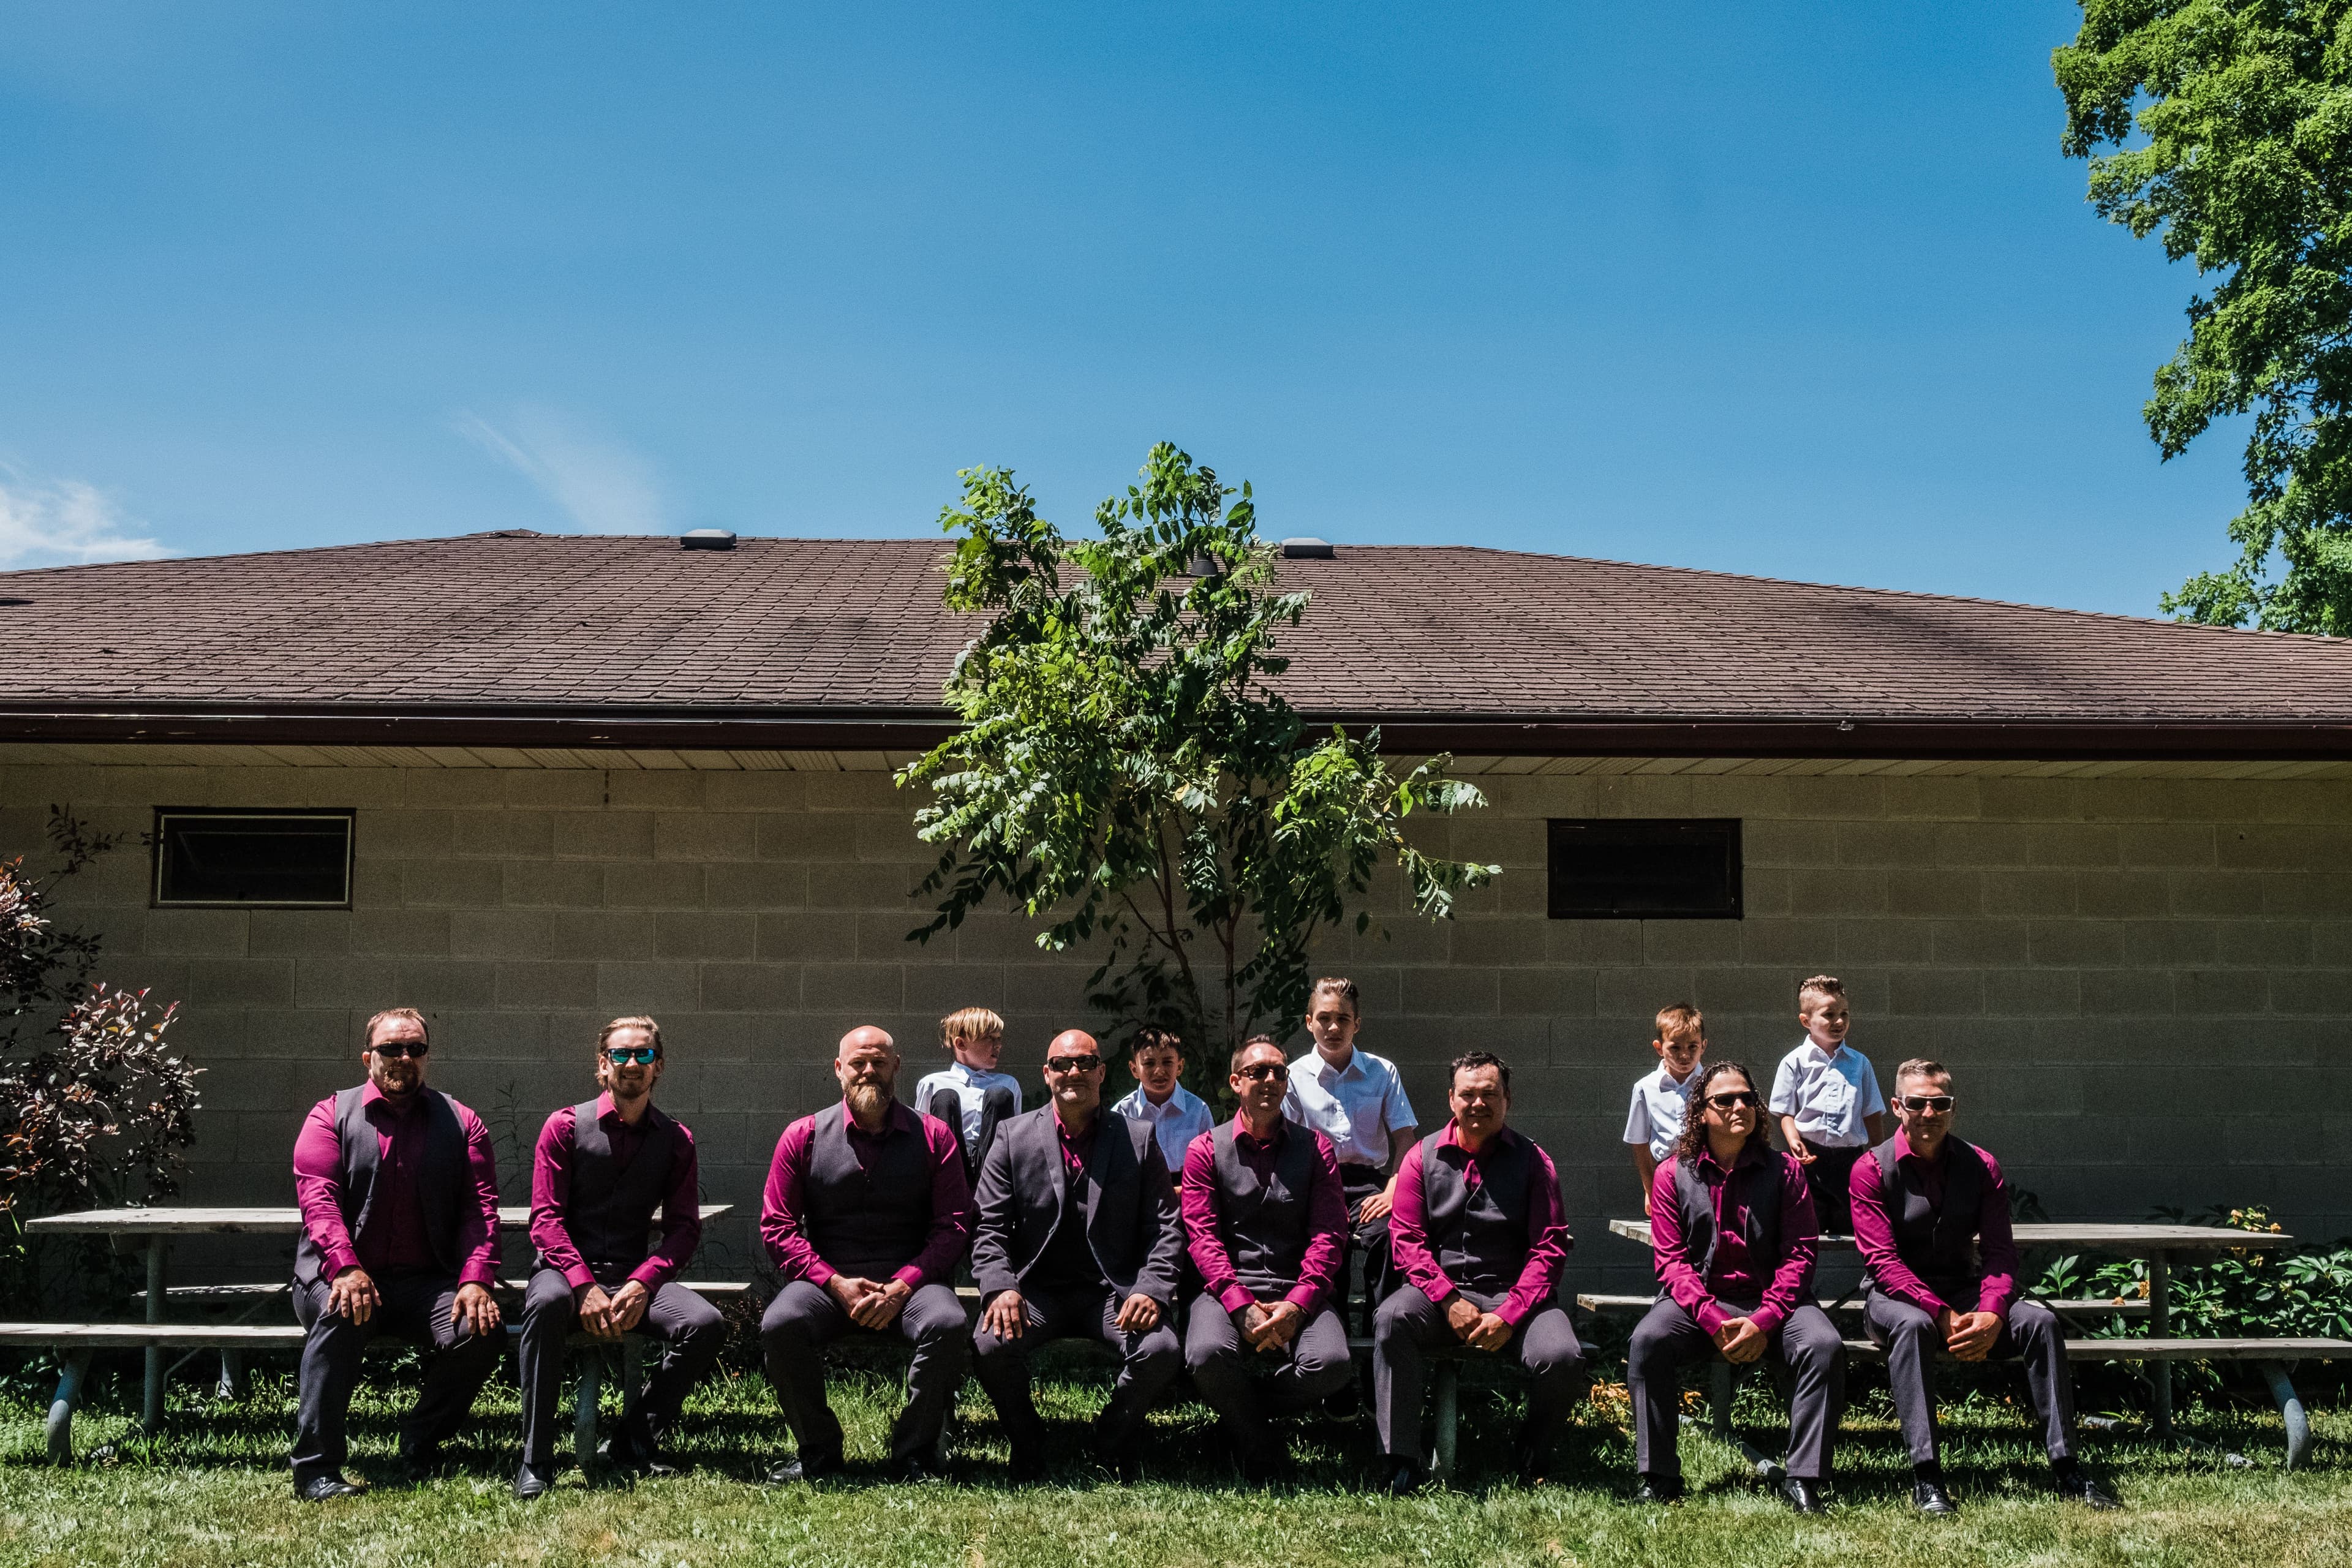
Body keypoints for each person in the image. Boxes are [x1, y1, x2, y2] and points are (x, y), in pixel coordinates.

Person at [1851, 1058, 2118, 1513]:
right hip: (1892, 1300)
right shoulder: (1871, 1169)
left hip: (1965, 1291)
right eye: (1917, 1103)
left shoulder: (1981, 1165)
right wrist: (1940, 1313)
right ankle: (1927, 1477)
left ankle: (2067, 1466)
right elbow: (1883, 1262)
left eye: (1941, 1103)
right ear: (1897, 1107)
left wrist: (1994, 1311)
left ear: (1954, 1108)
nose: (1929, 1113)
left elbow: (2000, 1253)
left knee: (2040, 1322)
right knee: (1914, 1326)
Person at [287, 1008, 504, 1502]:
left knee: (480, 1330)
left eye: (415, 1048)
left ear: (427, 1057)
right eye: (391, 1048)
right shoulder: (330, 1116)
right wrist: (346, 1268)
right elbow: (319, 1202)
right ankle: (316, 1468)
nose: (404, 1057)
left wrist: (476, 1278)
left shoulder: (462, 1122)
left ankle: (420, 1439)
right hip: (337, 1276)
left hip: (425, 1283)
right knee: (343, 1311)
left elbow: (480, 1210)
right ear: (368, 1057)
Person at [514, 1016, 723, 1499]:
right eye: (621, 1054)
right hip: (562, 1276)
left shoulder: (676, 1140)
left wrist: (644, 1282)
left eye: (643, 1054)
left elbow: (684, 1229)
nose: (632, 1063)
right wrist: (582, 1285)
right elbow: (546, 1220)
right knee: (544, 1305)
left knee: (705, 1324)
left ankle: (632, 1440)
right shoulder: (565, 1127)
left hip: (631, 1277)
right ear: (603, 1064)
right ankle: (535, 1459)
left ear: (659, 1066)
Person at [759, 1026, 976, 1483]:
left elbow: (954, 1226)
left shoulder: (934, 1136)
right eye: (858, 1063)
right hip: (827, 1286)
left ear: (896, 1066)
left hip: (913, 1285)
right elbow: (777, 1228)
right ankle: (818, 1452)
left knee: (948, 1322)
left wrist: (903, 1286)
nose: (869, 1071)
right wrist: (833, 1282)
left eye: (879, 1062)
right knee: (781, 1323)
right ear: (839, 1069)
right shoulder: (803, 1136)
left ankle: (914, 1453)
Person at [1627, 1060, 1845, 1513]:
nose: (1739, 1106)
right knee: (1648, 1341)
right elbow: (1672, 1263)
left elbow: (1800, 1255)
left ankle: (1804, 1479)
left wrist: (1764, 1320)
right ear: (1701, 1112)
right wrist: (1713, 1319)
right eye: (1725, 1100)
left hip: (1774, 1303)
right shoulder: (1672, 1174)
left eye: (1747, 1098)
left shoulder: (1785, 1172)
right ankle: (1659, 1476)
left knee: (1823, 1345)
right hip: (1697, 1305)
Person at [970, 1028, 1184, 1482]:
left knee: (1161, 1349)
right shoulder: (1012, 1136)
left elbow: (1165, 1227)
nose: (1074, 1072)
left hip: (1113, 1293)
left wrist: (1150, 1289)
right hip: (1036, 1292)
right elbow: (989, 1226)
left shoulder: (1138, 1138)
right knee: (990, 1345)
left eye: (1085, 1063)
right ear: (1047, 1074)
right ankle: (1028, 1440)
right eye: (1062, 1064)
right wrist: (1001, 1287)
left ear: (1102, 1072)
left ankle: (1111, 1437)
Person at [1374, 1050, 1584, 1493]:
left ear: (1508, 1099)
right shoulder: (1420, 1157)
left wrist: (1509, 1314)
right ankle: (1401, 1461)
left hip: (1516, 1296)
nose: (1478, 1104)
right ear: (1451, 1099)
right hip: (1438, 1296)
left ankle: (1534, 1452)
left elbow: (1549, 1248)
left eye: (1490, 1094)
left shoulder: (1534, 1161)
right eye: (1468, 1094)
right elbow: (1407, 1241)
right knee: (1392, 1320)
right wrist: (1448, 1300)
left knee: (1562, 1356)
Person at [1180, 1035, 1352, 1481]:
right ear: (1236, 1082)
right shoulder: (1205, 1150)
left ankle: (1236, 1415)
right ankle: (1261, 1444)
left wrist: (1299, 1303)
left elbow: (1330, 1234)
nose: (1271, 1079)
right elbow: (1202, 1238)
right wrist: (1239, 1304)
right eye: (1258, 1072)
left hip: (1298, 1289)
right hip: (1224, 1291)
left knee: (1331, 1365)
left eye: (1279, 1072)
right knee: (1206, 1354)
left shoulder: (1316, 1149)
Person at [1284, 977, 1419, 1335]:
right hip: (1315, 1183)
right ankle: (1332, 1339)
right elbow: (1284, 1143)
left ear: (1357, 1024)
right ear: (1309, 1022)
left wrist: (1393, 1190)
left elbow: (1406, 1138)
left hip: (1369, 1186)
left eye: (1343, 1019)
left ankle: (1383, 1332)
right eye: (1324, 1018)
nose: (1333, 1027)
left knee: (1389, 1235)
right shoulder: (1294, 1076)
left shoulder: (1382, 1071)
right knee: (1326, 1247)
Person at [1768, 974, 1887, 1235]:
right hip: (1810, 1158)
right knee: (1811, 1225)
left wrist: (1879, 1154)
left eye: (1844, 1014)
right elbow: (1785, 1111)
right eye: (1829, 1015)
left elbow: (1872, 1112)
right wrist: (1793, 1140)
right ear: (1806, 1021)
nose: (1839, 1021)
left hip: (1851, 1159)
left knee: (1852, 1224)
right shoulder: (1794, 1062)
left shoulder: (1859, 1063)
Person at [913, 1006, 1022, 1186]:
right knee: (945, 1098)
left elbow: (1016, 1133)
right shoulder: (933, 1083)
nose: (998, 1045)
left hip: (993, 1171)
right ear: (961, 1044)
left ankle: (990, 1187)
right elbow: (922, 1136)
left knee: (999, 1095)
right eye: (989, 1038)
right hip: (948, 1170)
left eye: (999, 1038)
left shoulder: (1008, 1084)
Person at [1623, 1003, 1707, 1216]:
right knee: (1669, 1231)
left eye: (1692, 1047)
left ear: (1703, 1046)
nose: (1685, 1055)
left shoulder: (1712, 1084)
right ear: (1659, 1048)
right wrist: (1649, 1188)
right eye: (1675, 1048)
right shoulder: (1645, 1087)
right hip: (1666, 1174)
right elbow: (1639, 1142)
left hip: (1707, 1171)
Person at [1110, 1027, 1215, 1176]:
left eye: (1167, 1062)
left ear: (1180, 1067)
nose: (1159, 1071)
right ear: (1134, 1069)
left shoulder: (1198, 1111)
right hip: (1139, 1188)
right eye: (1149, 1063)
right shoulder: (1121, 1115)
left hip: (1188, 1186)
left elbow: (1210, 1165)